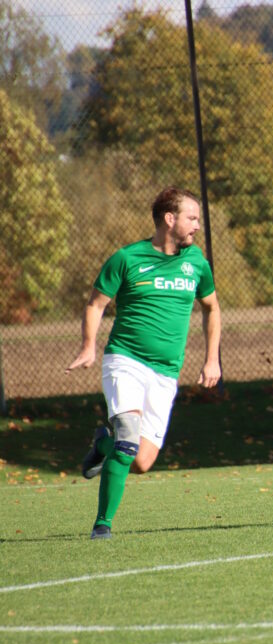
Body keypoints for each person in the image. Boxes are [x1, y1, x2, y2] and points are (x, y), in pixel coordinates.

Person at [65, 187, 221, 538]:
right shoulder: (127, 258)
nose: (197, 225)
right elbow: (96, 304)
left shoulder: (196, 263)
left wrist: (212, 359)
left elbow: (211, 308)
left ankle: (102, 444)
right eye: (192, 218)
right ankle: (102, 525)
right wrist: (89, 346)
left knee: (141, 461)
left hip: (166, 373)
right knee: (128, 438)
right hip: (125, 360)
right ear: (170, 219)